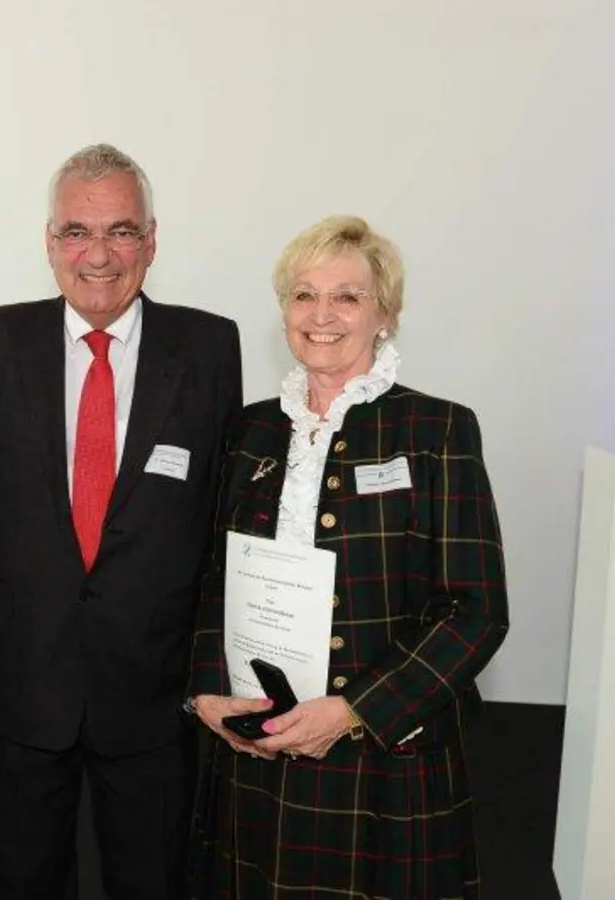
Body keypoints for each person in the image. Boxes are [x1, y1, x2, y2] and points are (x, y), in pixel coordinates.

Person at [0, 143, 243, 899]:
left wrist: (213, 667)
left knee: (154, 880)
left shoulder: (208, 346)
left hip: (157, 685)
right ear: (49, 242)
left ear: (151, 239)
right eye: (77, 232)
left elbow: (222, 520)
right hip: (21, 676)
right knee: (23, 877)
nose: (99, 255)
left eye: (121, 232)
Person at [185, 215, 509, 898]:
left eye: (347, 297)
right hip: (256, 748)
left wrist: (353, 710)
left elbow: (476, 613)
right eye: (303, 295)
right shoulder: (249, 430)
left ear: (384, 313)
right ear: (283, 312)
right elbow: (211, 577)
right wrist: (209, 695)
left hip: (386, 759)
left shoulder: (437, 429)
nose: (321, 315)